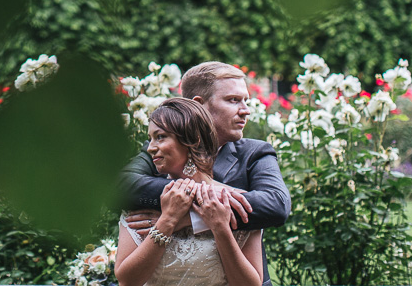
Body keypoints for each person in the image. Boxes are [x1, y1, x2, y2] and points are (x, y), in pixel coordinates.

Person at [119, 61, 290, 286]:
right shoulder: (160, 150)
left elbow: (276, 206)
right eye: (233, 100)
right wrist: (182, 198)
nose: (246, 110)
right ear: (199, 104)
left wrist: (191, 217)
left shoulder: (255, 153)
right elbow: (121, 187)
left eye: (245, 100)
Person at [115, 98, 264, 286]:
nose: (151, 148)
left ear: (192, 139)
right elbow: (127, 280)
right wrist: (167, 220)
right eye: (150, 138)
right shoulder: (142, 201)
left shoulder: (234, 202)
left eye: (160, 137)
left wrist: (221, 228)